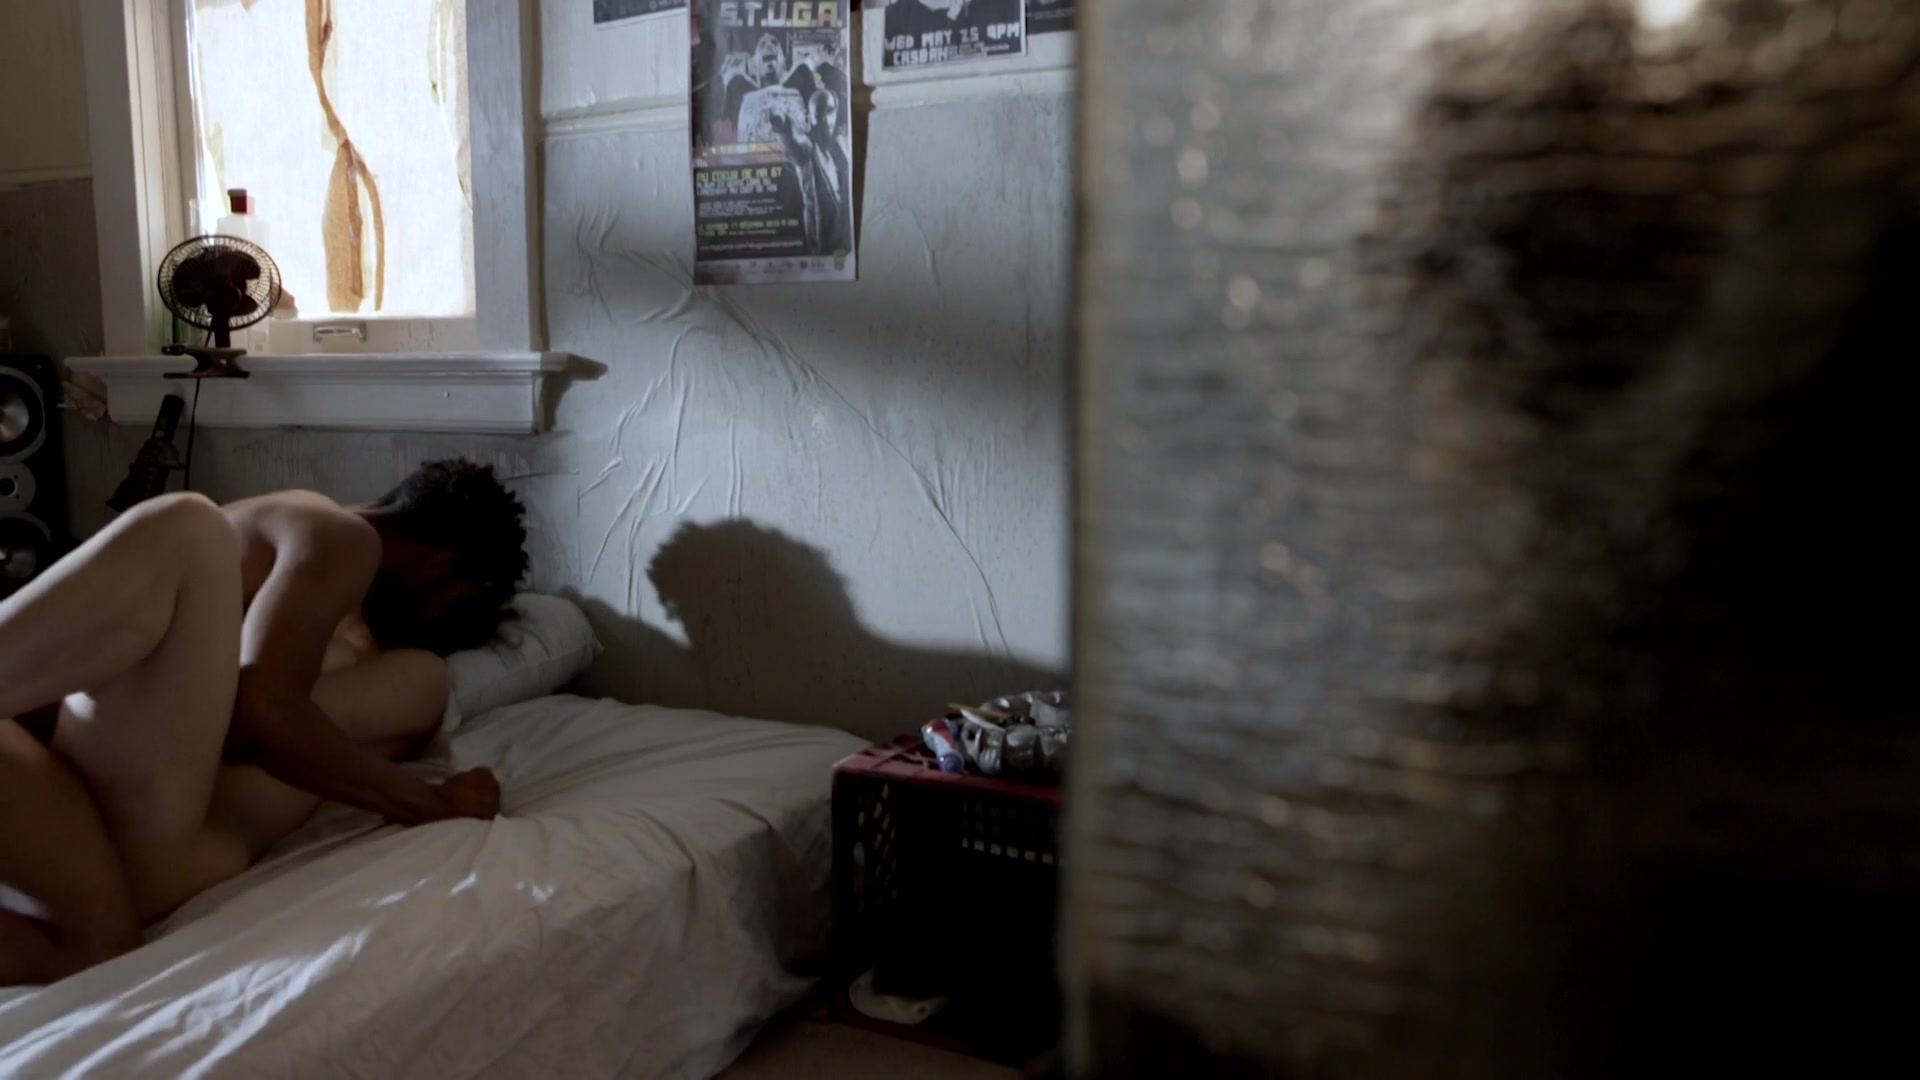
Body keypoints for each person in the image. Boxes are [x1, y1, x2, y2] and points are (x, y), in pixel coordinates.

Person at [0, 459, 528, 987]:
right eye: (456, 610)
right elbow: (261, 712)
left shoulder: (328, 587)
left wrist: (429, 802)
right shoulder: (342, 542)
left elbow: (260, 712)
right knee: (195, 532)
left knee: (191, 529)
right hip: (143, 852)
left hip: (130, 830)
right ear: (437, 567)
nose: (443, 629)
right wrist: (429, 800)